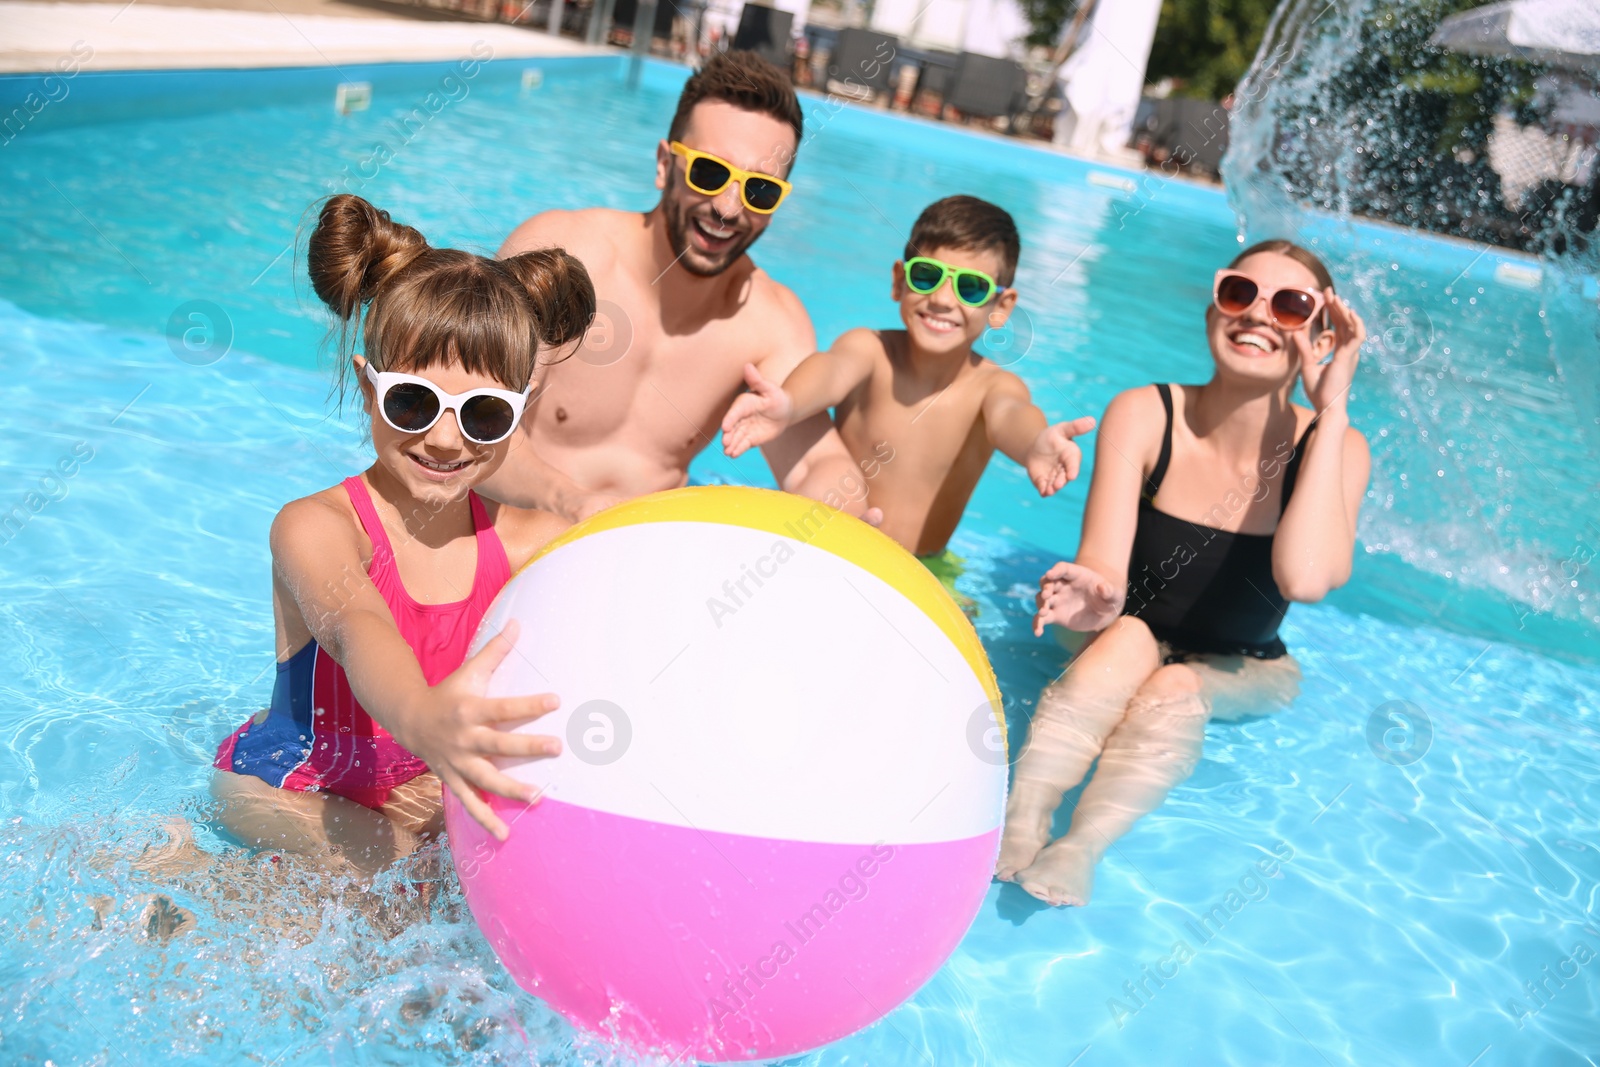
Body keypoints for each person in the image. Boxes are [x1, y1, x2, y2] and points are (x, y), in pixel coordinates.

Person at [210, 194, 596, 876]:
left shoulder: (531, 545)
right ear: (367, 388)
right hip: (288, 789)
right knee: (406, 881)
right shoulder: (317, 527)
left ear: (521, 413)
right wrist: (424, 720)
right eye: (413, 401)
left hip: (416, 793)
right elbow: (360, 628)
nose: (444, 438)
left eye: (482, 414)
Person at [996, 240, 1370, 906]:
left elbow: (1306, 578)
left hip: (1246, 664)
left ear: (1321, 336)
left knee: (1172, 687)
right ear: (1210, 315)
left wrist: (1333, 409)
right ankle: (1022, 818)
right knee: (1129, 644)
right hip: (1117, 635)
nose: (1257, 315)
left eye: (1289, 306)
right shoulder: (1145, 414)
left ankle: (1083, 845)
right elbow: (1105, 568)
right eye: (1238, 293)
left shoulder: (1336, 446)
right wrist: (1091, 593)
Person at [487, 51, 877, 523]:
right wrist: (567, 501)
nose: (729, 209)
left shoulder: (770, 322)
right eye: (710, 173)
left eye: (759, 190)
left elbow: (820, 463)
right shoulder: (564, 254)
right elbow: (471, 422)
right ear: (663, 165)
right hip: (505, 544)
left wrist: (843, 520)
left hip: (633, 564)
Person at [718, 195, 1095, 570]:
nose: (943, 299)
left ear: (1000, 307)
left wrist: (1034, 446)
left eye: (971, 288)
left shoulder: (994, 388)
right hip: (836, 543)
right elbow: (831, 370)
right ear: (899, 280)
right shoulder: (870, 350)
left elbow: (1012, 415)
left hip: (925, 572)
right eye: (927, 276)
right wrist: (788, 404)